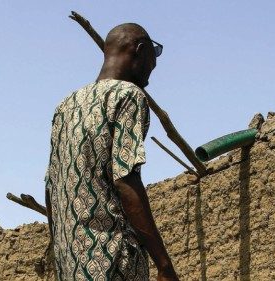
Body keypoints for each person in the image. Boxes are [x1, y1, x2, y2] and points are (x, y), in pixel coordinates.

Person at [44, 23, 178, 281]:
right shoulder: (127, 95)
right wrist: (163, 265)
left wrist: (62, 249)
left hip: (70, 264)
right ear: (139, 50)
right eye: (154, 55)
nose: (155, 66)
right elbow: (125, 178)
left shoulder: (65, 106)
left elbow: (51, 186)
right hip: (114, 258)